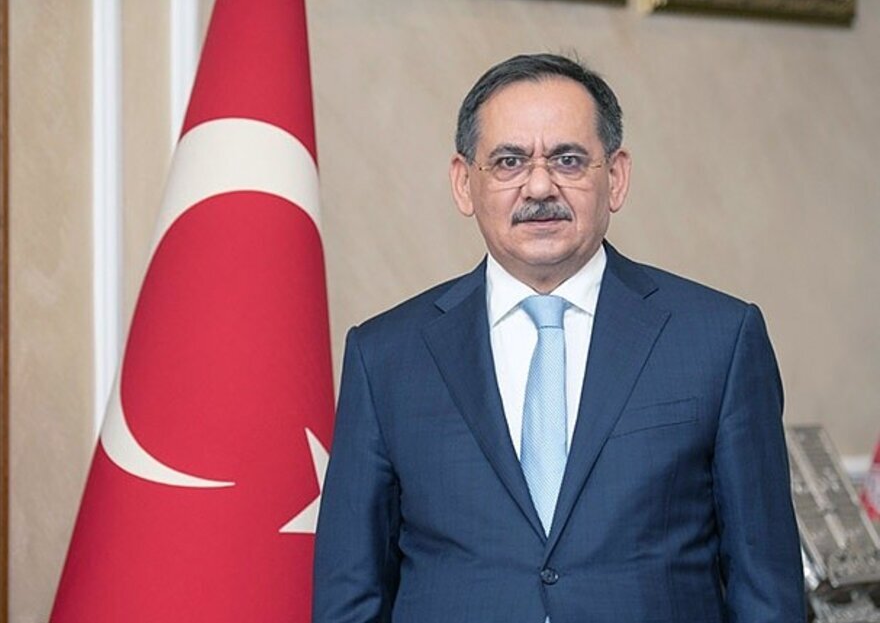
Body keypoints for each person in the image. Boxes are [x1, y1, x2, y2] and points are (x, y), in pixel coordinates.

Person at [312, 53, 804, 623]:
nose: (540, 185)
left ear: (615, 177)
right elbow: (350, 596)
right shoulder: (385, 357)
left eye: (568, 160)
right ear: (464, 184)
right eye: (509, 161)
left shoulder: (719, 339)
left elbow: (766, 592)